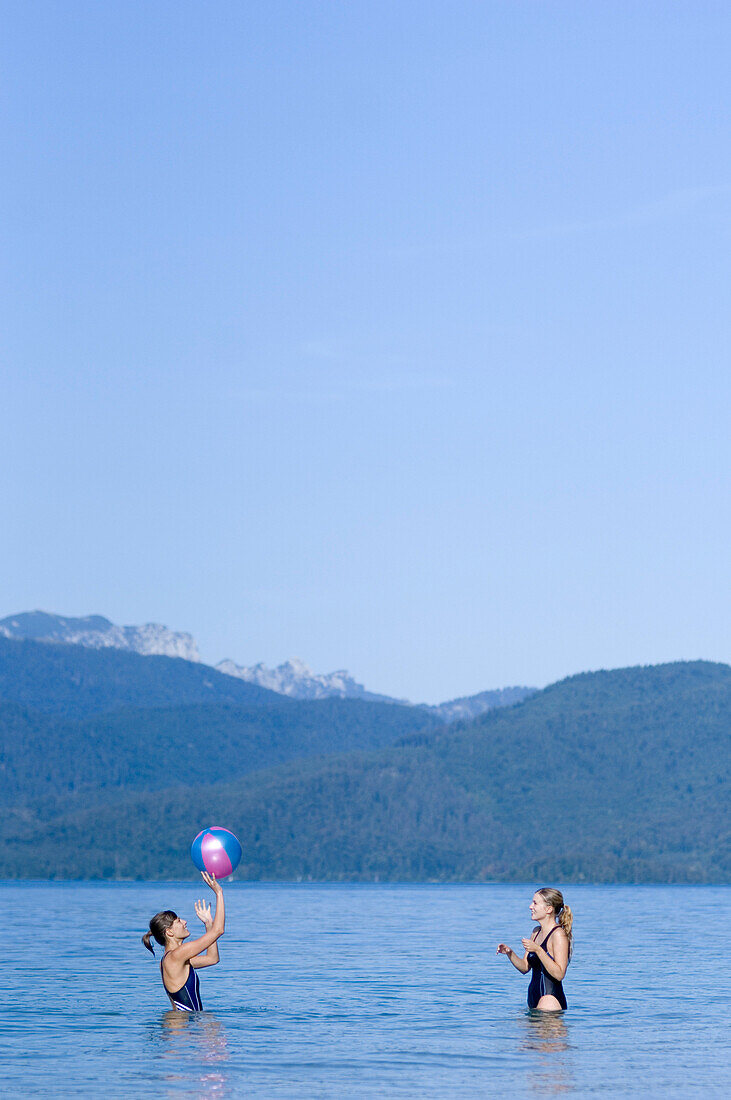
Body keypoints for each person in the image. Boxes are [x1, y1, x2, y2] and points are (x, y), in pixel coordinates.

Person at [142, 871, 224, 1010]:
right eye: (179, 921)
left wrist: (208, 924)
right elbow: (219, 930)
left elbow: (212, 958)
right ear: (169, 932)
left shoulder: (174, 959)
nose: (185, 922)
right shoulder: (177, 955)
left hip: (182, 1026)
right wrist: (219, 893)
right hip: (182, 1027)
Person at [496, 887, 573, 1010]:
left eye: (535, 903)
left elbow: (559, 974)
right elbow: (525, 967)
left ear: (549, 909)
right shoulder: (536, 932)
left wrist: (538, 950)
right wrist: (510, 953)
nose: (530, 906)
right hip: (533, 999)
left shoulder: (558, 935)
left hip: (550, 1000)